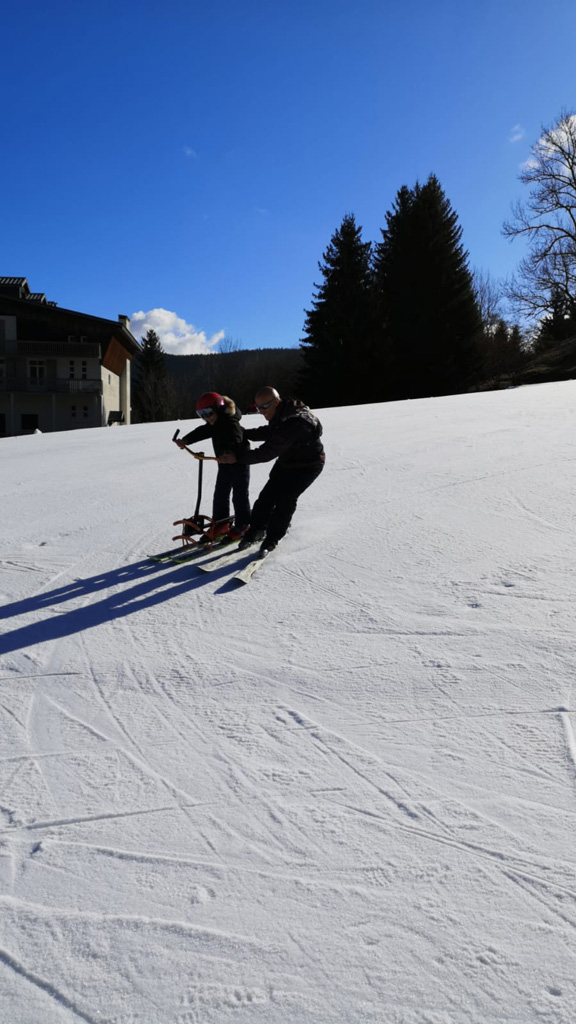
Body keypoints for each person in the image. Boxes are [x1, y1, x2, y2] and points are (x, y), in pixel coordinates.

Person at [218, 386, 325, 554]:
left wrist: (237, 458)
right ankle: (256, 530)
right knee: (266, 497)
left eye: (265, 406)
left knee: (286, 499)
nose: (261, 411)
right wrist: (246, 433)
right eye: (258, 408)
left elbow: (268, 451)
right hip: (287, 462)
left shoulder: (295, 423)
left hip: (308, 466)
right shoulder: (283, 412)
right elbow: (272, 431)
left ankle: (273, 538)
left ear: (276, 401)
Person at [175, 391, 250, 540]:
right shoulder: (214, 423)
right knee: (220, 493)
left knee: (239, 495)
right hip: (224, 463)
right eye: (201, 414)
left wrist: (231, 454)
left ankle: (244, 525)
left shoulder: (231, 422)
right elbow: (202, 431)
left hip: (239, 462)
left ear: (219, 408)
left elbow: (237, 439)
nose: (206, 418)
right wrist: (186, 440)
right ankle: (222, 524)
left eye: (208, 413)